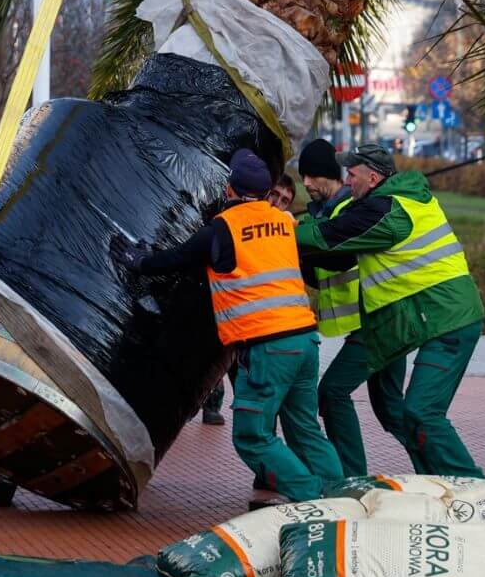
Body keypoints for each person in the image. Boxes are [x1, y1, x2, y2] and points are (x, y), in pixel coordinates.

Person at [120, 149, 342, 500]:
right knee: (305, 431)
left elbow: (174, 259)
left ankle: (313, 497)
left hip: (270, 346)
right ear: (267, 192)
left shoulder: (222, 230)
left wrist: (138, 260)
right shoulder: (285, 222)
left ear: (229, 189)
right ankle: (340, 496)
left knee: (252, 436)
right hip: (305, 341)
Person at [297, 144, 484, 476]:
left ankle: (474, 490)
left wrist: (279, 231)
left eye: (351, 175)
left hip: (446, 319)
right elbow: (338, 254)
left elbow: (330, 235)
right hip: (408, 319)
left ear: (372, 177)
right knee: (396, 409)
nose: (347, 181)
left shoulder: (384, 211)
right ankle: (437, 484)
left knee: (421, 413)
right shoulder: (386, 204)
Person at [295, 139, 418, 475]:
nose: (304, 183)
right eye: (301, 176)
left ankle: (352, 478)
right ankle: (437, 465)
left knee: (332, 393)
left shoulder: (351, 211)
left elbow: (335, 257)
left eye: (312, 175)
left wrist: (291, 238)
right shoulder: (329, 211)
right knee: (391, 409)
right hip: (377, 318)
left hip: (378, 321)